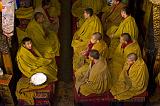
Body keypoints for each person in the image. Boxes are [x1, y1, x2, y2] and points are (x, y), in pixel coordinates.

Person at [16, 37, 57, 105]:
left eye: (31, 43)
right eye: (28, 44)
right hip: (29, 68)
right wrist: (39, 64)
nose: (30, 45)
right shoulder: (22, 53)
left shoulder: (31, 47)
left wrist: (42, 61)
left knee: (49, 64)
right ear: (23, 45)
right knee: (46, 70)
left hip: (35, 63)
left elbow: (37, 56)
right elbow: (27, 64)